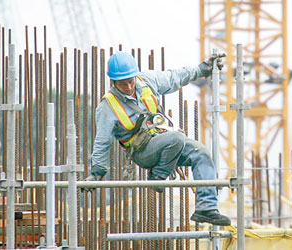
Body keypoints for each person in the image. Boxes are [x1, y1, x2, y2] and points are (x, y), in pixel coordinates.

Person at [86, 51, 231, 226]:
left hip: (165, 142)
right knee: (176, 139)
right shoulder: (107, 107)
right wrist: (96, 173)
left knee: (200, 153)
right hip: (143, 152)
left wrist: (202, 69)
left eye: (131, 81)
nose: (129, 87)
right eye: (123, 84)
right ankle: (158, 177)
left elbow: (174, 77)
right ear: (113, 82)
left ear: (135, 75)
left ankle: (206, 208)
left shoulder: (146, 81)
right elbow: (102, 142)